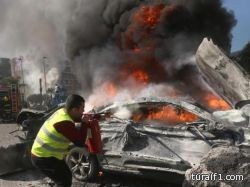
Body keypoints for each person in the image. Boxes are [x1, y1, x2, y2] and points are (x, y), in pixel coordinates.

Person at [31, 94, 87, 187]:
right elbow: (80, 142)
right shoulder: (64, 122)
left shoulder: (62, 111)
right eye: (82, 108)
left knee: (66, 177)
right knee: (64, 182)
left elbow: (74, 120)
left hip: (47, 155)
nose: (83, 111)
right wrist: (84, 124)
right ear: (74, 109)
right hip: (43, 157)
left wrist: (82, 120)